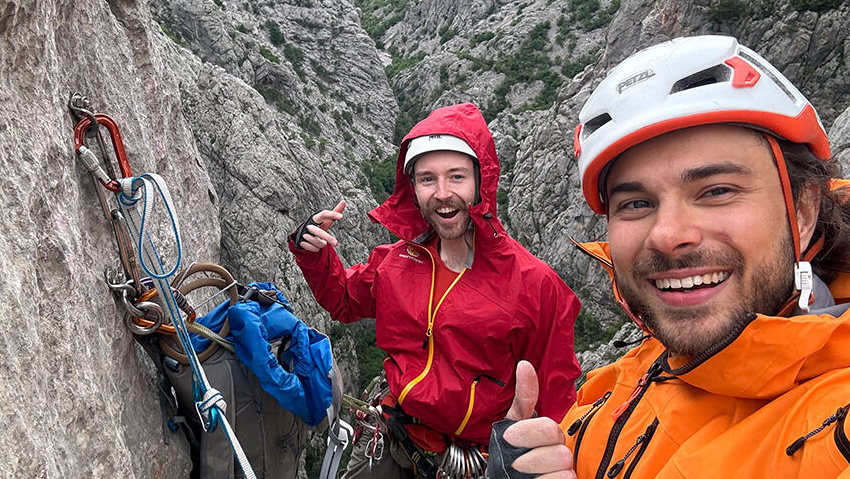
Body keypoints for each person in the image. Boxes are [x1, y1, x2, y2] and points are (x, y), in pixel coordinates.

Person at [490, 35, 850, 479]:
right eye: (635, 203)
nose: (667, 236)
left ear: (804, 210)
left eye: (717, 191)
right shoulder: (628, 377)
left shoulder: (835, 428)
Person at [290, 102, 581, 478]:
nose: (442, 193)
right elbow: (345, 301)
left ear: (480, 181)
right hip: (394, 439)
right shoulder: (398, 261)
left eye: (456, 177)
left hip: (476, 464)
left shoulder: (536, 285)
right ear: (413, 189)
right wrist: (314, 254)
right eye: (428, 179)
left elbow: (558, 400)